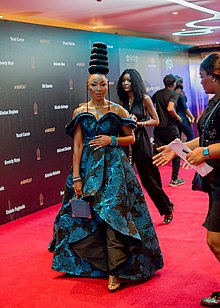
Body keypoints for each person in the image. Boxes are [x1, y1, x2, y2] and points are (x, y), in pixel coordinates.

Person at [49, 42, 163, 292]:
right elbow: (77, 146)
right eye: (93, 84)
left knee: (113, 216)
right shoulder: (80, 111)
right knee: (89, 216)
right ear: (87, 86)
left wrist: (111, 140)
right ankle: (94, 265)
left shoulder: (117, 109)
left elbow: (131, 138)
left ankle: (116, 271)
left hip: (114, 171)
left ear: (107, 85)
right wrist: (76, 177)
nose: (98, 89)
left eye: (102, 84)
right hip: (88, 170)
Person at [152, 53, 220, 306]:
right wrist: (175, 147)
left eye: (203, 77)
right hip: (214, 180)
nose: (200, 82)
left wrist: (204, 152)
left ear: (215, 76)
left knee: (215, 240)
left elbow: (207, 147)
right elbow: (204, 139)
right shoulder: (214, 102)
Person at [116, 69, 174, 224]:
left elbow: (156, 120)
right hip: (126, 140)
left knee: (148, 178)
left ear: (135, 82)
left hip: (141, 140)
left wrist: (139, 123)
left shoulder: (144, 99)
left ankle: (166, 208)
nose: (126, 83)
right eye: (123, 81)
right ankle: (125, 217)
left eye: (128, 80)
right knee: (123, 179)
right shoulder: (121, 100)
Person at [152, 74, 185, 187]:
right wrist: (177, 117)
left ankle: (153, 180)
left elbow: (148, 106)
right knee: (176, 151)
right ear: (174, 84)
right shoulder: (174, 94)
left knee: (156, 154)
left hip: (158, 128)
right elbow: (170, 108)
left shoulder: (157, 94)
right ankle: (174, 179)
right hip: (171, 128)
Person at [175, 76, 195, 141]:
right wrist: (192, 117)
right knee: (191, 136)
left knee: (178, 139)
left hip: (176, 119)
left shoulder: (173, 94)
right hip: (183, 118)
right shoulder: (181, 94)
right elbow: (185, 107)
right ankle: (187, 151)